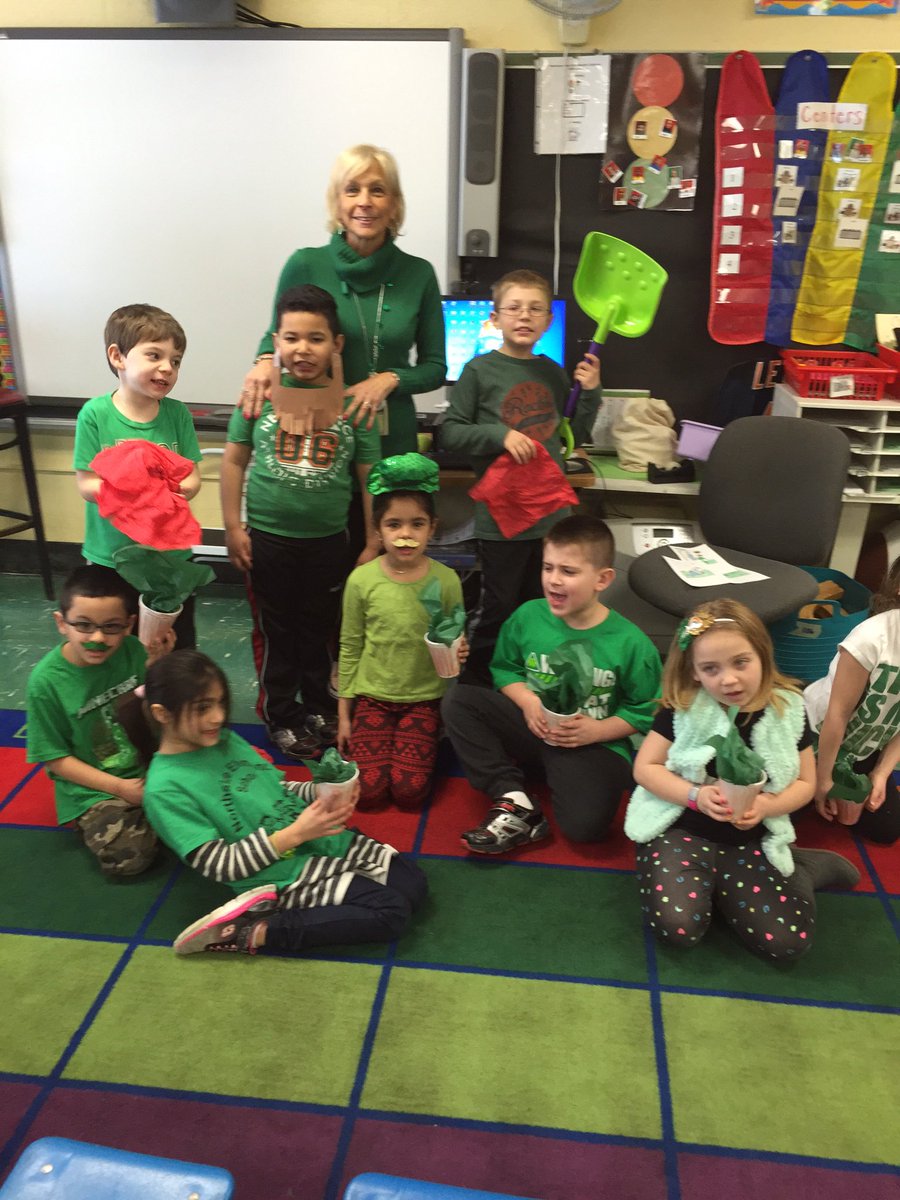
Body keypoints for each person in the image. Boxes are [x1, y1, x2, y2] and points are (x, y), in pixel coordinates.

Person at [139, 650, 427, 957]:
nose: (217, 717)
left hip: (316, 841)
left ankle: (323, 889)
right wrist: (296, 834)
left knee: (414, 887)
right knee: (391, 913)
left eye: (220, 702)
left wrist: (320, 793)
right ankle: (256, 930)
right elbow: (221, 866)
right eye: (202, 708)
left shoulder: (223, 740)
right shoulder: (164, 789)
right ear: (162, 714)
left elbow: (273, 788)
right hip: (280, 873)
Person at [626, 599, 860, 962]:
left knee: (787, 942)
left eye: (741, 662)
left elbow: (804, 783)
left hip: (751, 840)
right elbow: (645, 768)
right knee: (679, 927)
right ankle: (710, 887)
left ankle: (803, 868)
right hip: (682, 830)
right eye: (711, 668)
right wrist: (695, 795)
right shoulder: (683, 707)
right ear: (694, 673)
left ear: (762, 655)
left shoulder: (788, 708)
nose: (729, 679)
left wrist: (767, 805)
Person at [221, 285, 382, 761]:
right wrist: (233, 528)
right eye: (292, 338)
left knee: (320, 629)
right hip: (269, 540)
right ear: (276, 341)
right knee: (277, 632)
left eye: (315, 338)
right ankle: (281, 714)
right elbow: (232, 462)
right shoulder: (260, 395)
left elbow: (369, 476)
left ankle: (317, 707)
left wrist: (372, 540)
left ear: (337, 344)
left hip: (330, 542)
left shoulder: (354, 406)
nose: (303, 349)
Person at [443, 515, 660, 854]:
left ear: (602, 579)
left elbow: (646, 711)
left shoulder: (632, 643)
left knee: (585, 830)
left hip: (593, 743)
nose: (554, 581)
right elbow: (506, 670)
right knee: (460, 700)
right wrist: (528, 702)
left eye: (568, 572)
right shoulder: (527, 616)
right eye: (548, 568)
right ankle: (513, 795)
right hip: (534, 727)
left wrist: (597, 732)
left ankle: (554, 776)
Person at [440, 269, 601, 686]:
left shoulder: (553, 373)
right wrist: (501, 435)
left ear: (548, 320)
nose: (524, 316)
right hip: (503, 518)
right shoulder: (479, 370)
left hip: (551, 516)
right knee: (499, 608)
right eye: (514, 308)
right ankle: (476, 689)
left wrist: (592, 392)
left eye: (535, 309)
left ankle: (532, 685)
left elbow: (572, 436)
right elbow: (452, 431)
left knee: (545, 607)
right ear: (495, 318)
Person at [239, 144, 446, 461]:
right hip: (317, 434)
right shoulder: (305, 264)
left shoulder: (419, 274)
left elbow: (435, 368)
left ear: (394, 205)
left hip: (390, 437)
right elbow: (274, 337)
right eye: (352, 190)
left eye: (377, 190)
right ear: (337, 204)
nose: (364, 202)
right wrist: (265, 361)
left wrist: (389, 379)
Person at [25, 564, 172, 877]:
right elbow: (55, 759)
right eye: (83, 626)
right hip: (97, 789)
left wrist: (159, 666)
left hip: (151, 769)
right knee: (130, 858)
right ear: (61, 623)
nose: (97, 638)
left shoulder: (134, 651)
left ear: (130, 624)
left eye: (111, 627)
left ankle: (160, 816)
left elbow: (160, 714)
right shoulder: (46, 683)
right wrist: (119, 787)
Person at [338, 454, 465, 810]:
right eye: (394, 525)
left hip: (424, 699)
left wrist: (458, 652)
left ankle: (424, 738)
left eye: (416, 524)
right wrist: (344, 717)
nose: (405, 535)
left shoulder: (446, 580)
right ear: (378, 530)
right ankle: (390, 742)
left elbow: (453, 641)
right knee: (370, 795)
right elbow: (349, 647)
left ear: (432, 527)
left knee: (410, 794)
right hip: (372, 695)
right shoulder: (361, 580)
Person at [73, 303, 202, 649]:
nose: (167, 368)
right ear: (118, 357)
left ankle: (168, 703)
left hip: (170, 558)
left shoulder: (177, 415)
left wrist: (172, 493)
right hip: (111, 558)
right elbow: (86, 485)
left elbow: (192, 478)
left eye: (175, 361)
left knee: (175, 645)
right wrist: (134, 491)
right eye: (154, 355)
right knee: (117, 647)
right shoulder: (95, 414)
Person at [804, 555, 900, 845]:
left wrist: (881, 774)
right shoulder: (872, 637)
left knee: (886, 829)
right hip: (818, 733)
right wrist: (822, 782)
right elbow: (838, 714)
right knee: (787, 811)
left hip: (863, 745)